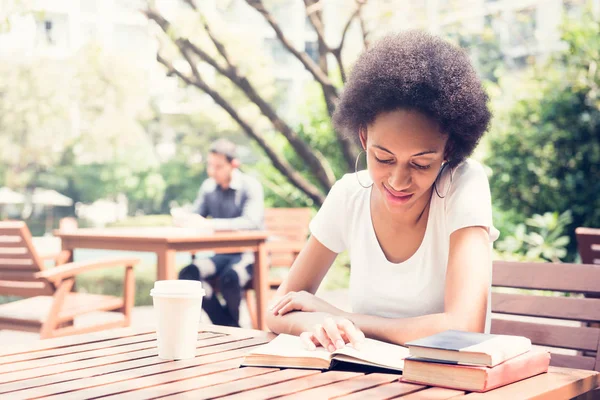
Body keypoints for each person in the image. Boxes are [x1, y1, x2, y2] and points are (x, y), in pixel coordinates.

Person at [266, 31, 499, 352]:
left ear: (449, 150)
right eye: (384, 158)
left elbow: (463, 327)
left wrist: (345, 318)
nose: (398, 180)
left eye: (420, 163)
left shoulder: (464, 185)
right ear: (363, 138)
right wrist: (322, 323)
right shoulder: (349, 195)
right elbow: (279, 308)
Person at [176, 139, 264, 327]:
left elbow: (250, 223)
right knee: (188, 274)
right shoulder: (208, 188)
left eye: (218, 166)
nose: (212, 171)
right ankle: (229, 326)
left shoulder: (251, 186)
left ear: (234, 164)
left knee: (230, 278)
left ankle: (228, 327)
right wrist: (185, 219)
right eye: (210, 165)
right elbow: (196, 217)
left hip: (249, 255)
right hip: (220, 256)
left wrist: (210, 224)